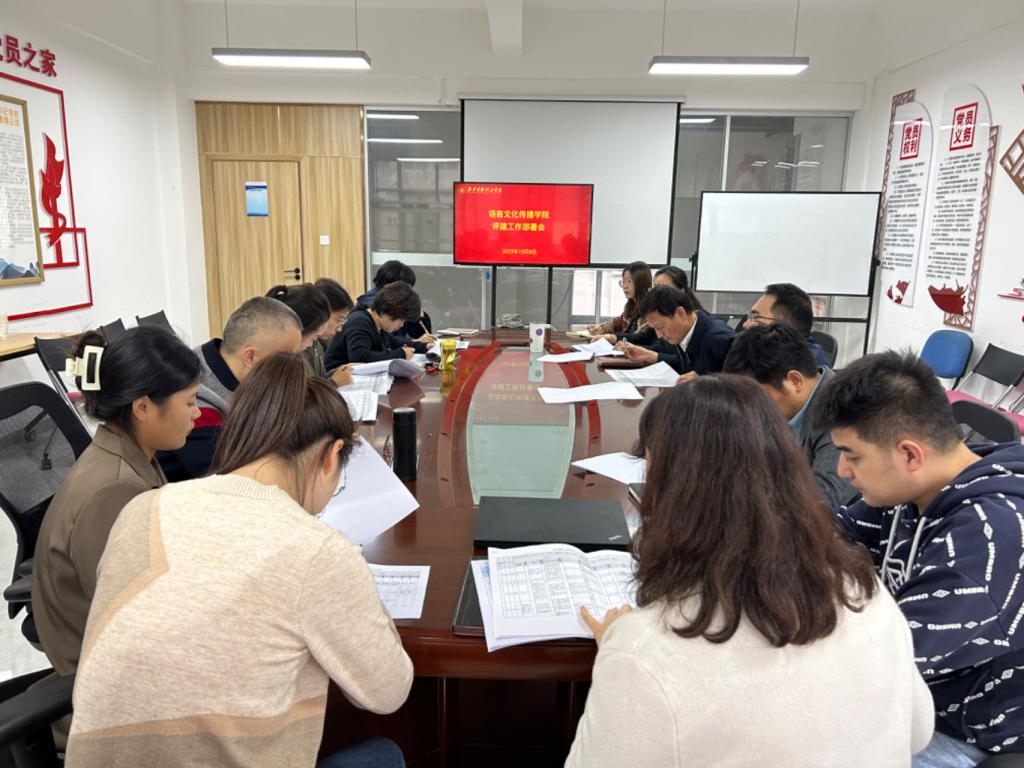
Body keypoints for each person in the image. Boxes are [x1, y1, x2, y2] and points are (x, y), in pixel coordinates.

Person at [66, 353, 413, 768]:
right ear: (331, 455)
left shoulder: (143, 507)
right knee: (383, 755)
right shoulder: (319, 552)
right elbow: (388, 692)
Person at [566, 376, 934, 767]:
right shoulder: (864, 591)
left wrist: (617, 652)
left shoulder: (645, 652)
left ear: (672, 492)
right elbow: (919, 731)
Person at [813, 351, 1024, 764]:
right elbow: (827, 538)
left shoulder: (987, 541)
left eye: (852, 455)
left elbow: (878, 663)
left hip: (972, 730)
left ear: (910, 454)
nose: (841, 471)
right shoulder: (915, 490)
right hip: (919, 691)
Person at [33, 327, 202, 680]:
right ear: (143, 407)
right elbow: (131, 616)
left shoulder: (128, 453)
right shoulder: (114, 491)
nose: (197, 414)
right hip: (103, 680)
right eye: (189, 402)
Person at [157, 296, 302, 481]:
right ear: (250, 357)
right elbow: (228, 477)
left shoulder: (228, 366)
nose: (293, 368)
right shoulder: (196, 403)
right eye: (286, 359)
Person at [723, 323, 858, 507]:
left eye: (757, 397)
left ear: (795, 381)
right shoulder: (784, 406)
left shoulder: (841, 411)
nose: (751, 408)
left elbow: (826, 497)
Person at [621, 285, 735, 384]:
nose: (659, 335)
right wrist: (652, 356)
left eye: (660, 327)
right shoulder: (686, 331)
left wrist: (708, 382)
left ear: (680, 313)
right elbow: (686, 366)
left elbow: (741, 383)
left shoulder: (720, 338)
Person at [325, 281, 421, 368]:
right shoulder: (360, 322)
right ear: (384, 312)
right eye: (401, 320)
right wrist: (400, 354)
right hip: (334, 376)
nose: (401, 325)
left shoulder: (377, 323)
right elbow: (360, 357)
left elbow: (393, 342)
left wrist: (423, 346)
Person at [743, 282, 830, 367]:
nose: (745, 325)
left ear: (784, 325)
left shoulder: (800, 369)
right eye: (749, 317)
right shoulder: (775, 351)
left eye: (755, 317)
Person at [357, 260, 434, 351]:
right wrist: (414, 341)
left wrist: (419, 314)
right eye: (406, 288)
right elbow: (387, 340)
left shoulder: (397, 302)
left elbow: (419, 333)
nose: (408, 292)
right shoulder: (375, 305)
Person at [587, 262, 653, 343]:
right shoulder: (631, 306)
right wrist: (600, 328)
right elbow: (616, 323)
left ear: (641, 282)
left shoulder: (651, 308)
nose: (625, 286)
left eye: (629, 281)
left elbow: (640, 337)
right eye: (623, 282)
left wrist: (613, 337)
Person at [309, 277, 356, 386]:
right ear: (321, 313)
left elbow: (320, 378)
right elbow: (305, 393)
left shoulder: (316, 343)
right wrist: (334, 382)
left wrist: (342, 370)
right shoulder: (301, 346)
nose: (339, 328)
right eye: (339, 320)